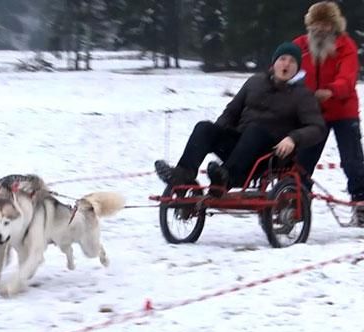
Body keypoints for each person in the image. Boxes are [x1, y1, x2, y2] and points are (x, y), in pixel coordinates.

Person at [155, 42, 326, 196]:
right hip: (239, 144)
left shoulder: (303, 95)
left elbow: (317, 128)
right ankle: (182, 175)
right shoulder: (255, 82)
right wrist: (217, 132)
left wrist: (293, 139)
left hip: (270, 153)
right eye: (282, 59)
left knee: (255, 130)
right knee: (204, 127)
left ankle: (226, 177)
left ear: (297, 68)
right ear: (274, 63)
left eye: (292, 62)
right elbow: (231, 112)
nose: (286, 64)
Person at [294, 1, 364, 225]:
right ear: (310, 24)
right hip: (312, 113)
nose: (320, 28)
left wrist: (332, 90)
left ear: (334, 25)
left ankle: (360, 202)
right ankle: (298, 200)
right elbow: (283, 66)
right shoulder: (300, 46)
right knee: (302, 159)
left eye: (325, 23)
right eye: (316, 23)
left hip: (343, 109)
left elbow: (348, 77)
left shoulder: (346, 46)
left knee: (352, 160)